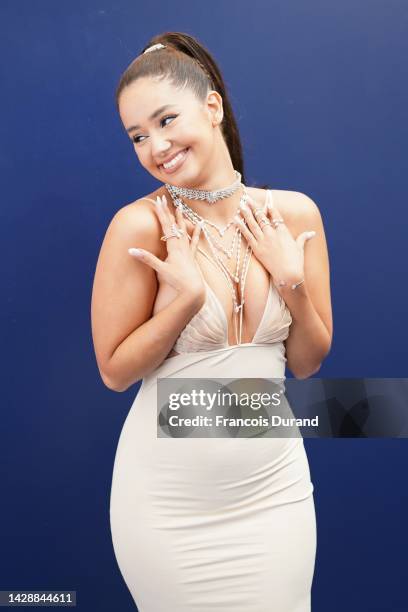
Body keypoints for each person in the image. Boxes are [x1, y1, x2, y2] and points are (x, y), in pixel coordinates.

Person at [91, 31, 332, 612]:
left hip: (274, 495)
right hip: (168, 508)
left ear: (213, 106)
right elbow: (115, 373)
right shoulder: (139, 226)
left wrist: (290, 281)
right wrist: (182, 304)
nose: (156, 146)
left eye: (167, 119)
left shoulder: (294, 213)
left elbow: (306, 362)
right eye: (138, 136)